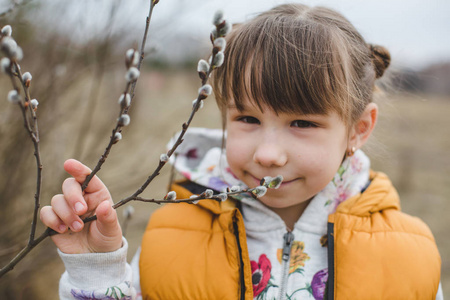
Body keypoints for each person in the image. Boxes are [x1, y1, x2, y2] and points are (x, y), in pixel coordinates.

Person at [41, 3, 443, 300]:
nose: (268, 154)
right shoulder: (172, 237)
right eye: (247, 118)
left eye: (302, 123)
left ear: (359, 128)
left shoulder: (410, 257)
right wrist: (97, 270)